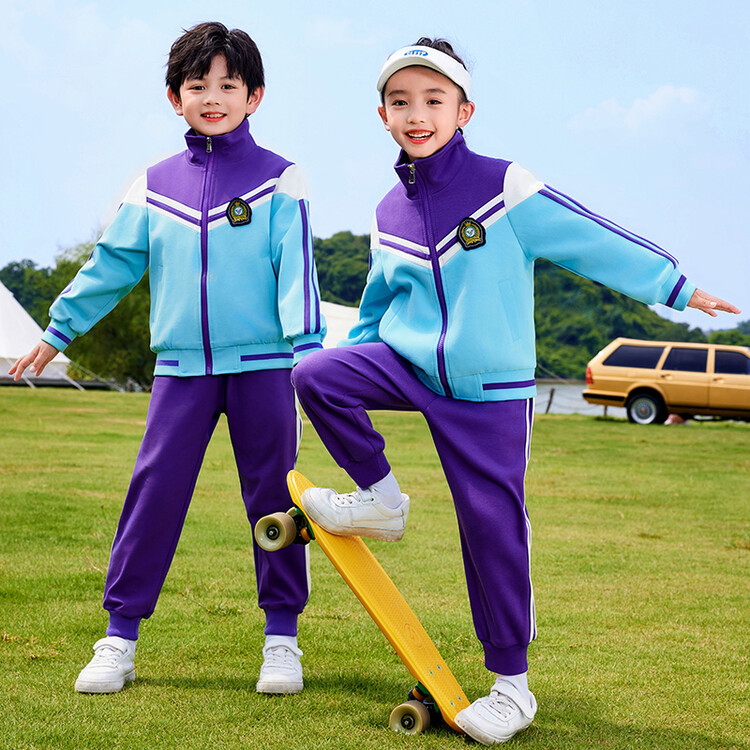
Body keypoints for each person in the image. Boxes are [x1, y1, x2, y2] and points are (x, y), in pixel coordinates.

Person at [290, 38, 739, 744]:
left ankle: (511, 688)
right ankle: (380, 501)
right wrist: (356, 355)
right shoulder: (387, 210)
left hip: (490, 390)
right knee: (317, 375)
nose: (417, 114)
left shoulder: (505, 187)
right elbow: (379, 300)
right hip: (409, 364)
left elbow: (589, 237)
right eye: (401, 102)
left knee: (491, 529)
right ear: (383, 116)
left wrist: (675, 285)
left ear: (463, 111)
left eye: (434, 100)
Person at [10, 22, 324, 696]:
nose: (212, 97)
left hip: (266, 367)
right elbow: (111, 264)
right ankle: (118, 639)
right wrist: (58, 330)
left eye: (228, 85)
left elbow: (297, 270)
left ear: (254, 96)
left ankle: (282, 641)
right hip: (181, 370)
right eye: (197, 85)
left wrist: (306, 352)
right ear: (175, 97)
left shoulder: (280, 179)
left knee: (276, 500)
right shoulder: (152, 184)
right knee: (153, 493)